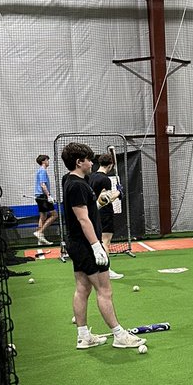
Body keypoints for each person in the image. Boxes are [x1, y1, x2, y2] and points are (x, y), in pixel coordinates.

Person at [60, 142, 143, 350]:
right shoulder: (77, 185)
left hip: (77, 243)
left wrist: (111, 196)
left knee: (82, 288)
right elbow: (83, 220)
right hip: (86, 244)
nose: (91, 163)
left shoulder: (73, 181)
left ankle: (83, 336)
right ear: (79, 162)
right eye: (88, 160)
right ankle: (119, 334)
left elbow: (91, 208)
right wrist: (97, 246)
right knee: (104, 290)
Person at [88, 153, 124, 282]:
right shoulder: (105, 179)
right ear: (110, 165)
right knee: (105, 241)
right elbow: (106, 198)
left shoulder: (90, 176)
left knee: (98, 241)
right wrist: (119, 192)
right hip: (104, 213)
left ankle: (98, 268)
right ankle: (106, 270)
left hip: (93, 213)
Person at [33, 154, 58, 245]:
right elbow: (42, 185)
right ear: (43, 161)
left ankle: (40, 240)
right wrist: (48, 196)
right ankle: (40, 232)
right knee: (54, 215)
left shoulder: (39, 171)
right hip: (43, 197)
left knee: (43, 217)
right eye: (47, 160)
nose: (48, 162)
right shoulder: (42, 171)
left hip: (39, 197)